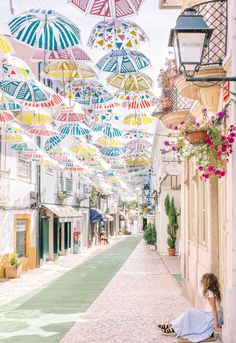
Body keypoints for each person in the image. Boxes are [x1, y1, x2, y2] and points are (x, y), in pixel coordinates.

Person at [157, 273, 223, 342]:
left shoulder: (210, 293)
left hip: (211, 316)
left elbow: (214, 308)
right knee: (189, 313)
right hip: (209, 314)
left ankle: (173, 327)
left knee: (189, 312)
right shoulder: (212, 291)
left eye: (203, 281)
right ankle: (172, 325)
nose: (202, 282)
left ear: (207, 282)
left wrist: (216, 324)